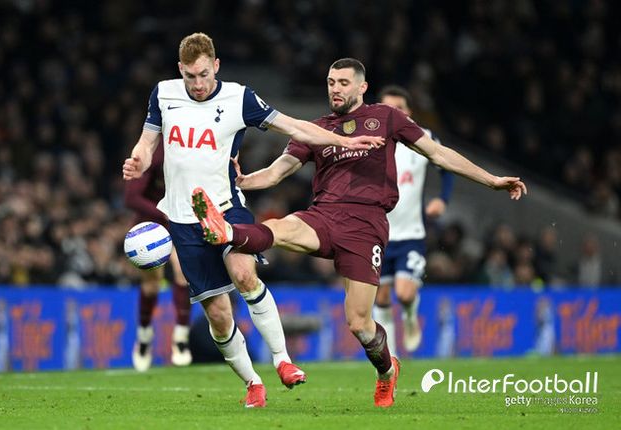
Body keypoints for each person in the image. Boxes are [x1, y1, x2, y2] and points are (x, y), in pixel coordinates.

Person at [191, 58, 527, 408]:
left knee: (359, 323)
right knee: (278, 227)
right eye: (330, 82)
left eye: (343, 83)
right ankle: (226, 230)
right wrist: (246, 180)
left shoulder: (386, 117)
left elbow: (438, 154)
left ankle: (387, 371)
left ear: (362, 87)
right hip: (323, 215)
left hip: (366, 226)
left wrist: (491, 180)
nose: (335, 89)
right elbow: (278, 171)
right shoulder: (317, 129)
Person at [122, 35, 384, 408]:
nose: (198, 84)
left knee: (245, 274)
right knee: (218, 315)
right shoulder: (164, 93)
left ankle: (282, 360)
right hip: (181, 220)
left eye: (203, 74)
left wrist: (344, 142)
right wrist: (139, 160)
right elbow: (147, 143)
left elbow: (293, 126)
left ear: (216, 65)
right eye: (190, 76)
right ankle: (253, 383)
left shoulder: (238, 98)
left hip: (225, 207)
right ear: (180, 70)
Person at [372, 85, 455, 357]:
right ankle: (391, 356)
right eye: (388, 108)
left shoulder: (424, 139)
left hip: (411, 234)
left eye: (399, 108)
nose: (394, 113)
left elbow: (447, 167)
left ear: (409, 112)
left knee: (405, 294)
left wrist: (442, 199)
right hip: (378, 236)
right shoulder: (369, 143)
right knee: (381, 297)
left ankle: (409, 316)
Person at [124, 143, 193, 372]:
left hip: (179, 221)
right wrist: (163, 213)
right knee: (152, 285)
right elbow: (131, 198)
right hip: (150, 225)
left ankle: (181, 337)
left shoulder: (193, 150)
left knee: (183, 273)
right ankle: (144, 336)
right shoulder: (151, 154)